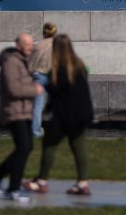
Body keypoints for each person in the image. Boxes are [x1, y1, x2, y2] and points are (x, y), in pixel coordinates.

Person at [23, 34, 94, 196]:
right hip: (81, 114)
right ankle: (82, 183)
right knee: (79, 148)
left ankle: (41, 181)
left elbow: (54, 90)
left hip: (64, 116)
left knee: (49, 145)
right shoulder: (80, 66)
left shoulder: (58, 70)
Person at [0, 33, 44, 203]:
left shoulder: (22, 61)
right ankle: (11, 188)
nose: (31, 48)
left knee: (26, 147)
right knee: (24, 147)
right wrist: (35, 90)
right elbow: (13, 89)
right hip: (14, 111)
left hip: (24, 110)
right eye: (28, 45)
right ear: (19, 45)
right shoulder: (11, 62)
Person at [28, 22, 57, 138]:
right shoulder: (58, 45)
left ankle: (35, 132)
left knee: (37, 105)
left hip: (39, 76)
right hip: (53, 77)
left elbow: (31, 65)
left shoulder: (38, 45)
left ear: (44, 32)